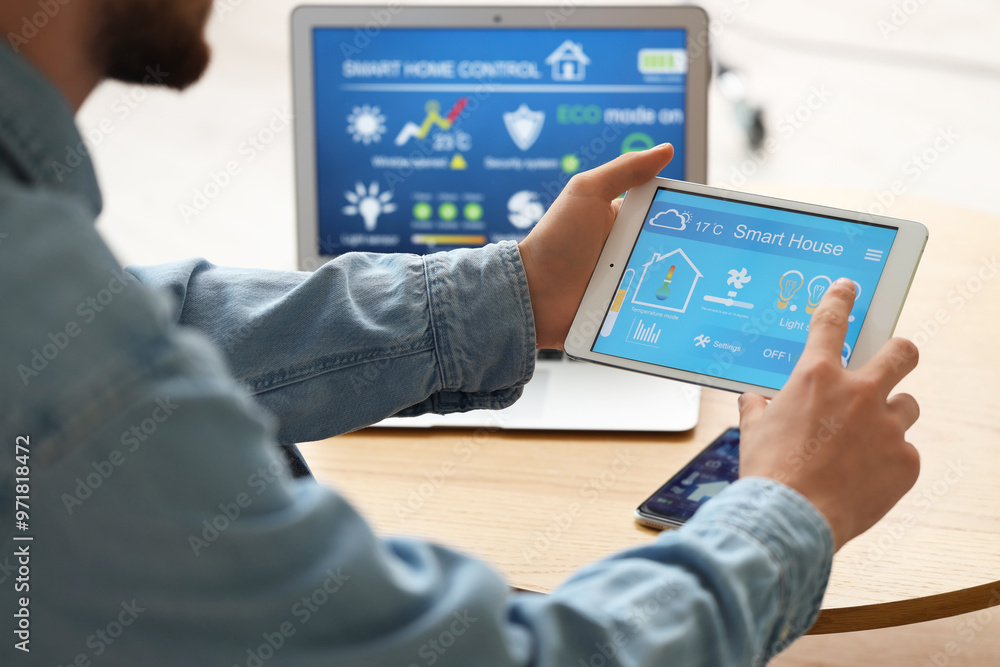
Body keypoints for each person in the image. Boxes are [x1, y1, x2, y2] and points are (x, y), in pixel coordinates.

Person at [0, 1, 921, 665]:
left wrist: (517, 294)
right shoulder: (52, 363)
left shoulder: (43, 275)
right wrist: (785, 510)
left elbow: (160, 319)